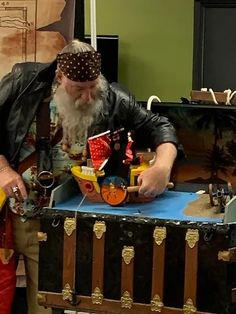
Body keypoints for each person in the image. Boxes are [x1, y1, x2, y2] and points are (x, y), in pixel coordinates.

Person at [0, 39, 178, 314]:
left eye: (93, 87)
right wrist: (3, 170)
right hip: (10, 217)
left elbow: (159, 126)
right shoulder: (24, 82)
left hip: (62, 221)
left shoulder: (112, 98)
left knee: (46, 305)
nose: (86, 97)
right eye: (78, 89)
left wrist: (162, 166)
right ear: (60, 77)